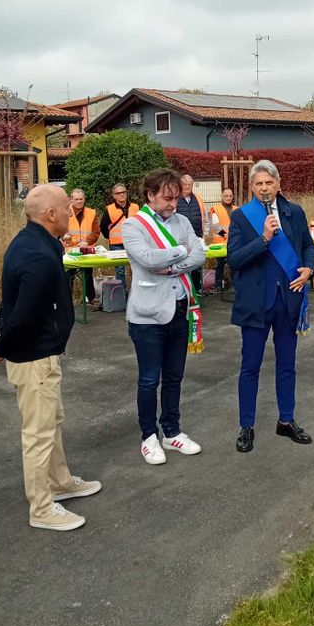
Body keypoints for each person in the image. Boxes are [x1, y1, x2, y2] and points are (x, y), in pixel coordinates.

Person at [0, 184, 101, 531]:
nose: (71, 211)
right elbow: (23, 311)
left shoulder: (38, 242)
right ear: (50, 214)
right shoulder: (35, 251)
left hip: (42, 353)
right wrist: (3, 344)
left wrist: (5, 340)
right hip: (33, 357)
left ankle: (59, 482)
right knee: (38, 433)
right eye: (66, 207)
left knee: (53, 422)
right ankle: (41, 508)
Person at [227, 159, 314, 453]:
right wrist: (264, 239)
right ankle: (247, 426)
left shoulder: (294, 212)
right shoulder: (241, 217)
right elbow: (235, 259)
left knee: (287, 365)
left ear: (279, 184)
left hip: (288, 300)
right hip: (256, 303)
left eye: (269, 183)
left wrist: (308, 268)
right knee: (250, 367)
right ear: (251, 187)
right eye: (259, 184)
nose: (264, 188)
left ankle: (286, 420)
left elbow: (307, 246)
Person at [122, 168, 206, 465]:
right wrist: (182, 250)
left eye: (176, 197)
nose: (174, 203)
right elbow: (145, 259)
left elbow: (199, 255)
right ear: (150, 195)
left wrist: (174, 262)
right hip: (147, 315)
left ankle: (172, 431)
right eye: (168, 198)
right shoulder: (134, 225)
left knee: (174, 377)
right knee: (148, 379)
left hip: (180, 309)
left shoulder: (183, 221)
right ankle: (148, 436)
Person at [63, 188, 101, 310]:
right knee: (69, 276)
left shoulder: (91, 213)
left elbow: (96, 232)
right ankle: (67, 301)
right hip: (70, 251)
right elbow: (59, 228)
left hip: (86, 250)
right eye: (76, 199)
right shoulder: (65, 212)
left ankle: (91, 299)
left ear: (84, 199)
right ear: (71, 200)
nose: (79, 201)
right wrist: (65, 236)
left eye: (81, 199)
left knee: (88, 275)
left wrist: (87, 241)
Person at [100, 183, 139, 298]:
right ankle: (124, 296)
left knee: (137, 269)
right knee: (120, 271)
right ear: (114, 195)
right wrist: (110, 236)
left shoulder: (135, 207)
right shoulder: (110, 209)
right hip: (116, 245)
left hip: (134, 243)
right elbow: (103, 226)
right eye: (118, 193)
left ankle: (136, 294)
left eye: (123, 192)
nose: (121, 195)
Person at [176, 174, 208, 297]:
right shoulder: (176, 200)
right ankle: (184, 290)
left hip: (197, 238)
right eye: (184, 184)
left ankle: (197, 289)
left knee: (196, 264)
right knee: (183, 265)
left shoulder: (199, 199)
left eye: (189, 184)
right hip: (181, 240)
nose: (187, 186)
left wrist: (204, 235)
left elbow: (205, 219)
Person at [210, 187, 237, 292]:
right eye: (226, 196)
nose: (228, 198)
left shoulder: (237, 209)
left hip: (233, 243)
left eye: (230, 196)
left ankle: (236, 286)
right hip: (220, 244)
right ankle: (217, 286)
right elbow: (215, 226)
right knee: (220, 266)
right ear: (222, 196)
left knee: (234, 264)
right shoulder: (216, 209)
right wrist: (226, 235)